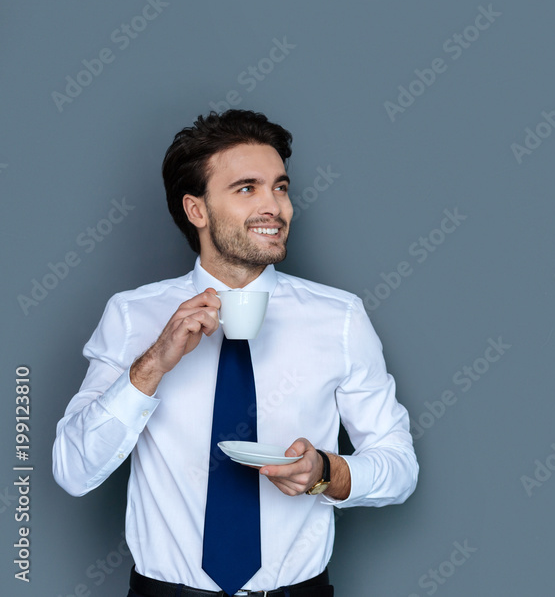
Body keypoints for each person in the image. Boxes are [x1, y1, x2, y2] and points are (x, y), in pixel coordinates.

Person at [52, 110, 418, 596]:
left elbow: (400, 466)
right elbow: (73, 470)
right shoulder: (132, 316)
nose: (275, 206)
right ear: (197, 210)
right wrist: (154, 364)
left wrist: (327, 472)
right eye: (247, 188)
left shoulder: (340, 317)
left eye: (280, 188)